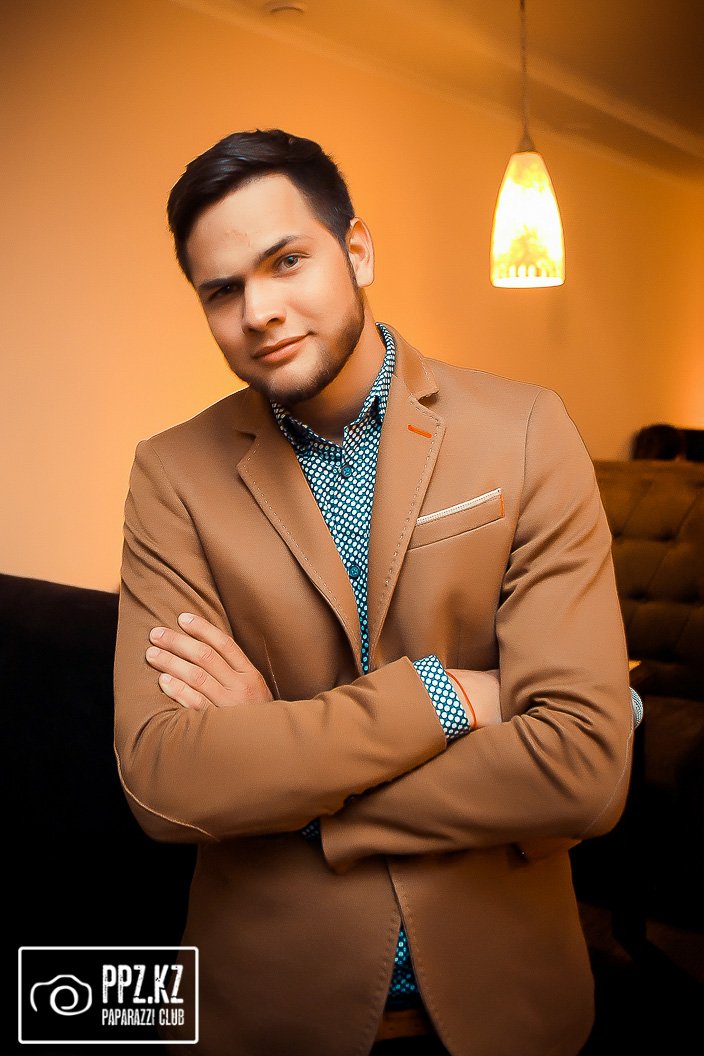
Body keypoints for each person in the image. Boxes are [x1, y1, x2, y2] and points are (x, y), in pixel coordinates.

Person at [113, 129, 637, 1056]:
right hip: (270, 1010)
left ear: (356, 250)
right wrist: (448, 695)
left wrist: (284, 767)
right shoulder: (172, 475)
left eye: (286, 261)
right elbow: (163, 782)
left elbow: (585, 768)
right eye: (223, 291)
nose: (260, 311)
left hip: (507, 999)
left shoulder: (525, 429)